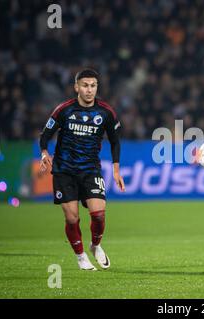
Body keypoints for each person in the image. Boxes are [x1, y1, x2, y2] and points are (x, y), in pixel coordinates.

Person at [39, 69, 126, 271]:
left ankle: (95, 246)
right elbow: (45, 135)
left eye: (93, 85)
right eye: (85, 85)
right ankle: (80, 257)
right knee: (72, 218)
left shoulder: (106, 112)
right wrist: (44, 153)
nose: (89, 90)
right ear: (76, 87)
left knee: (99, 214)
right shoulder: (64, 110)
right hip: (64, 170)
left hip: (90, 170)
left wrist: (116, 170)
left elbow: (115, 142)